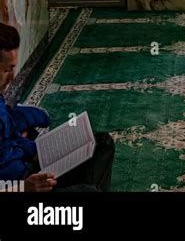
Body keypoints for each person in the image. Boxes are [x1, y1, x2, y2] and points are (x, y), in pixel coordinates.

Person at [0, 22, 114, 192]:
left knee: (102, 143)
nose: (12, 77)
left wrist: (33, 144)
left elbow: (11, 121)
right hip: (19, 185)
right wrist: (23, 187)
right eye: (6, 70)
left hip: (29, 164)